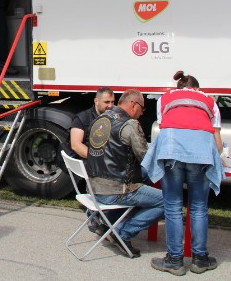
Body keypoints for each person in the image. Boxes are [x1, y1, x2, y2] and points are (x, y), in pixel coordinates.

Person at [142, 71, 224, 276]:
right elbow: (217, 141)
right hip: (202, 153)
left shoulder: (165, 99)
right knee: (199, 207)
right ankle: (200, 259)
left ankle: (175, 260)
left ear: (179, 87)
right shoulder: (209, 100)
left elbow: (166, 127)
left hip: (172, 152)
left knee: (173, 207)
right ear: (197, 88)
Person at [85, 89, 164, 258]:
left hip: (93, 188)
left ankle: (107, 224)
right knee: (168, 201)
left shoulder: (99, 119)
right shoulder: (130, 124)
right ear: (134, 104)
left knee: (143, 178)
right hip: (116, 190)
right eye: (142, 109)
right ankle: (123, 233)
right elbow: (145, 157)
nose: (142, 113)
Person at [69, 87, 115, 235]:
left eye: (112, 102)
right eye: (106, 102)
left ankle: (111, 218)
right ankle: (96, 216)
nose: (110, 106)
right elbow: (76, 145)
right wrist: (99, 159)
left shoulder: (114, 118)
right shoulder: (82, 118)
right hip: (91, 163)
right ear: (96, 101)